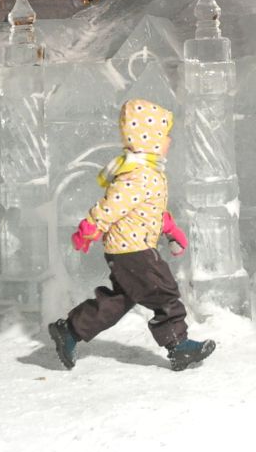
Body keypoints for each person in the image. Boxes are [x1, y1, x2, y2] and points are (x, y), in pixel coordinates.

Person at [47, 99, 215, 373]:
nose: (170, 141)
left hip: (128, 248)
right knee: (164, 291)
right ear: (148, 141)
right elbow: (112, 205)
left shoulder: (146, 172)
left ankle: (70, 330)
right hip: (133, 250)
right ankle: (179, 346)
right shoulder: (139, 175)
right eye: (164, 136)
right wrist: (90, 228)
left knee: (120, 299)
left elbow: (148, 210)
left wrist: (170, 229)